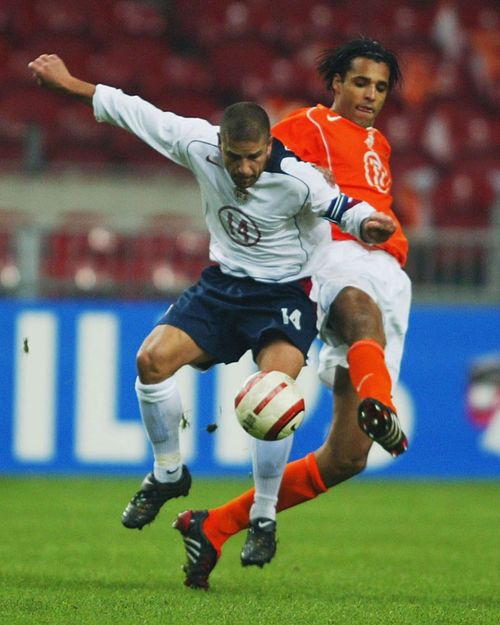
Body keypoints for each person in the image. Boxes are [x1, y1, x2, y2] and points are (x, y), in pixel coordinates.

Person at [28, 54, 397, 538]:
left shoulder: (298, 178)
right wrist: (70, 83)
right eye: (235, 157)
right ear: (219, 145)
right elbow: (132, 110)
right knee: (150, 362)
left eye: (255, 157)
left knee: (274, 395)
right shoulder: (195, 142)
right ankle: (167, 474)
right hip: (223, 286)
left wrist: (369, 224)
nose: (244, 169)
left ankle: (263, 515)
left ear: (270, 146)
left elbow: (345, 209)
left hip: (284, 293)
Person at [173, 37, 412, 590]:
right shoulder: (309, 126)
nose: (369, 95)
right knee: (356, 310)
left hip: (391, 273)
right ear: (336, 84)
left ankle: (212, 526)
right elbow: (251, 163)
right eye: (359, 82)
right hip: (334, 252)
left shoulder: (380, 143)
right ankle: (381, 400)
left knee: (348, 456)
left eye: (379, 86)